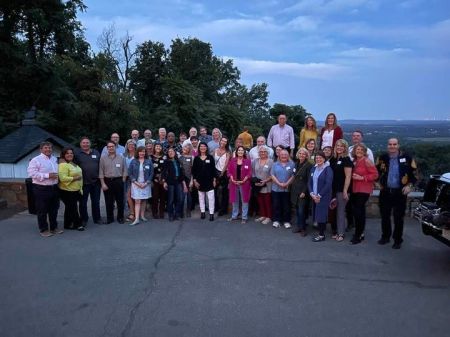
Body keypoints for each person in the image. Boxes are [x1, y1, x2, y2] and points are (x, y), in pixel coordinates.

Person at [376, 138, 417, 249]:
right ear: (387, 145)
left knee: (398, 218)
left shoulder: (407, 158)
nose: (392, 146)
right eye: (390, 144)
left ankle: (398, 240)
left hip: (400, 192)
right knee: (385, 216)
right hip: (385, 192)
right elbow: (376, 172)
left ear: (398, 145)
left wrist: (409, 186)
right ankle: (385, 237)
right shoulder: (382, 158)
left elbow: (415, 174)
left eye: (394, 144)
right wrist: (376, 182)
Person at [27, 141, 62, 237]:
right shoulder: (35, 160)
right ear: (41, 149)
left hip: (54, 188)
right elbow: (31, 174)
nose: (48, 149)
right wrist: (47, 175)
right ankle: (43, 229)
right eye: (46, 148)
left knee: (54, 209)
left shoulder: (54, 159)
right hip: (41, 188)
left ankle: (54, 228)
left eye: (50, 148)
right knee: (42, 210)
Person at [350, 143, 378, 244]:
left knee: (358, 212)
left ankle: (358, 235)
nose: (359, 151)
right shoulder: (354, 161)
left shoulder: (367, 161)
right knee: (359, 213)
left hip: (363, 190)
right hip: (355, 189)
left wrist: (362, 178)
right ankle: (360, 233)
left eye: (361, 149)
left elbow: (375, 175)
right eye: (357, 149)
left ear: (364, 151)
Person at [74, 137, 102, 226]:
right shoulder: (77, 154)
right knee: (83, 203)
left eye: (87, 143)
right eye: (83, 143)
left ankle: (97, 218)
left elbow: (101, 165)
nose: (85, 144)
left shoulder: (96, 152)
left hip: (96, 182)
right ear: (80, 144)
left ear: (90, 144)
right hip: (83, 183)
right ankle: (84, 219)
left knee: (96, 202)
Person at [329, 139, 353, 242]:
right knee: (334, 211)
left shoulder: (346, 159)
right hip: (333, 189)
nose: (339, 147)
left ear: (345, 148)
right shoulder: (333, 159)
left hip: (341, 190)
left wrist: (345, 191)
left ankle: (341, 233)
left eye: (341, 146)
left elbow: (348, 177)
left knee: (340, 212)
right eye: (338, 145)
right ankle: (336, 231)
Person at [99, 141, 127, 224]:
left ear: (115, 147)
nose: (111, 148)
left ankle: (120, 217)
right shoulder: (103, 158)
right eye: (109, 147)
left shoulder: (121, 157)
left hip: (118, 180)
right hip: (107, 181)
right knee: (109, 201)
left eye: (112, 146)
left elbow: (125, 170)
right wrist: (103, 183)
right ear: (107, 148)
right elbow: (101, 172)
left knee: (120, 201)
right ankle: (110, 218)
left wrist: (123, 180)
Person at [308, 150, 333, 242]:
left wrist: (319, 195)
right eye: (317, 158)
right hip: (314, 195)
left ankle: (321, 235)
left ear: (324, 159)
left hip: (323, 196)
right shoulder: (313, 168)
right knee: (317, 214)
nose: (318, 159)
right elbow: (309, 182)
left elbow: (328, 184)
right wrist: (311, 194)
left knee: (321, 215)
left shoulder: (328, 169)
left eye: (320, 158)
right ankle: (320, 232)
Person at [58, 147, 84, 231]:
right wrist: (75, 178)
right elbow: (63, 178)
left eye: (71, 153)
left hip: (75, 189)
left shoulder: (72, 163)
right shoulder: (62, 165)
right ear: (63, 155)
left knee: (69, 208)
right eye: (67, 153)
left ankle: (67, 224)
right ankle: (78, 224)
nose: (70, 154)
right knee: (73, 208)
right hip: (67, 190)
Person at [290, 148, 313, 236]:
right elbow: (294, 176)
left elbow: (309, 180)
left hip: (303, 191)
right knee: (297, 209)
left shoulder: (309, 165)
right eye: (300, 153)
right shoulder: (296, 164)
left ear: (307, 155)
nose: (302, 155)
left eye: (304, 154)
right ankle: (299, 226)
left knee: (301, 210)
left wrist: (304, 191)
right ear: (298, 154)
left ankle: (303, 228)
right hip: (295, 190)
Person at [128, 146, 153, 226]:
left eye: (143, 152)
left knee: (144, 200)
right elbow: (130, 173)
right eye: (140, 151)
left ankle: (142, 216)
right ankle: (137, 219)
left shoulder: (148, 161)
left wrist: (146, 183)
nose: (142, 153)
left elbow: (151, 173)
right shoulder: (133, 161)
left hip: (146, 183)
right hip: (136, 184)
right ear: (137, 152)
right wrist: (136, 182)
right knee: (137, 201)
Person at [192, 142, 217, 221]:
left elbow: (213, 170)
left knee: (211, 198)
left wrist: (214, 180)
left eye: (204, 146)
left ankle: (211, 213)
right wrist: (195, 181)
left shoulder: (210, 158)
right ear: (199, 148)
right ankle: (202, 212)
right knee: (201, 198)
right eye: (201, 146)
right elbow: (194, 171)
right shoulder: (196, 158)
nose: (202, 148)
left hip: (209, 181)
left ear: (206, 148)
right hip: (199, 181)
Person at [271, 149, 295, 228]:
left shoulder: (292, 164)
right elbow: (272, 175)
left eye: (285, 154)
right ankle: (276, 220)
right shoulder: (275, 164)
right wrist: (279, 183)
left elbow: (293, 175)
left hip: (287, 189)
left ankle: (286, 221)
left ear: (288, 156)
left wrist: (287, 183)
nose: (284, 156)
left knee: (286, 206)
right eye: (282, 154)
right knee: (276, 205)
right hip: (276, 189)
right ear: (279, 155)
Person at [227, 146, 252, 223]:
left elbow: (250, 173)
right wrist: (231, 178)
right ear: (236, 152)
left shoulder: (248, 161)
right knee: (235, 200)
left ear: (244, 152)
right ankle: (234, 216)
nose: (240, 152)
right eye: (239, 150)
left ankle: (244, 217)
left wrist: (244, 180)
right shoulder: (232, 160)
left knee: (244, 200)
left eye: (242, 150)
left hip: (244, 184)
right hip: (234, 183)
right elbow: (229, 171)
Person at [162, 148, 187, 221]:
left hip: (178, 182)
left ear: (175, 153)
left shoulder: (178, 161)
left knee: (179, 199)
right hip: (170, 182)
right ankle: (171, 215)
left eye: (172, 151)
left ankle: (176, 214)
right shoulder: (166, 162)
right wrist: (164, 182)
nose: (170, 152)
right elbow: (163, 172)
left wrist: (184, 184)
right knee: (170, 200)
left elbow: (181, 173)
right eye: (169, 152)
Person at [252, 145, 273, 225]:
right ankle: (263, 215)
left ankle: (268, 217)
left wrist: (265, 181)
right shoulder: (255, 161)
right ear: (258, 153)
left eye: (264, 151)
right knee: (260, 201)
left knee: (267, 201)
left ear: (267, 153)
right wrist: (255, 181)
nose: (263, 153)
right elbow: (253, 172)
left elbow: (272, 175)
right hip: (257, 184)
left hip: (267, 184)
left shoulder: (271, 161)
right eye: (261, 152)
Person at [214, 136, 231, 216]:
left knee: (224, 192)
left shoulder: (228, 152)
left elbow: (226, 164)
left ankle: (223, 209)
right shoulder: (215, 150)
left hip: (224, 173)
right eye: (222, 141)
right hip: (215, 172)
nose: (223, 142)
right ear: (220, 141)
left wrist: (222, 173)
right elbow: (213, 162)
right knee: (215, 191)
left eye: (225, 141)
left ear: (226, 143)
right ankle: (216, 207)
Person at [151, 142, 167, 219]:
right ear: (154, 147)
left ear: (162, 148)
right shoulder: (150, 157)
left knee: (163, 197)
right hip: (154, 180)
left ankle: (161, 212)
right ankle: (154, 212)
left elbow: (166, 168)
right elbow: (150, 169)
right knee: (155, 197)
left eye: (159, 146)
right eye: (157, 146)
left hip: (163, 180)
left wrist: (163, 178)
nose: (158, 147)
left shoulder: (164, 157)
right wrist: (154, 177)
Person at [179, 143, 194, 217]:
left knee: (189, 196)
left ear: (189, 149)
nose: (185, 149)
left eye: (187, 148)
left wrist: (192, 180)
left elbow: (193, 170)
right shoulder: (180, 158)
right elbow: (180, 171)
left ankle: (188, 210)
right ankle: (181, 211)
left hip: (189, 179)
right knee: (182, 196)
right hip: (182, 179)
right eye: (184, 147)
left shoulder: (192, 157)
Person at [124, 139, 136, 222]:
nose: (131, 146)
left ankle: (134, 213)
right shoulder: (123, 155)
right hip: (126, 178)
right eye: (129, 144)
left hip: (135, 178)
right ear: (127, 146)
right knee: (128, 196)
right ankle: (133, 212)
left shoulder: (137, 155)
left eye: (132, 144)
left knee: (133, 196)